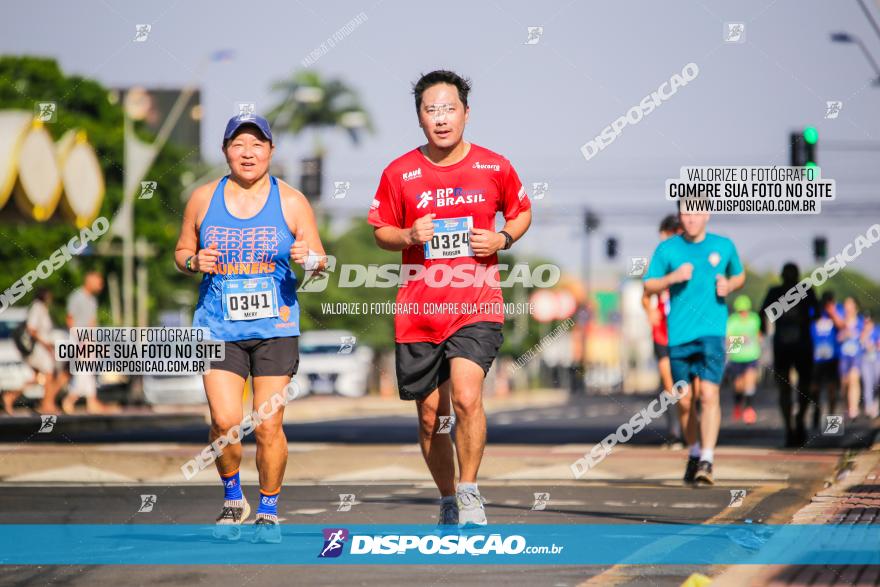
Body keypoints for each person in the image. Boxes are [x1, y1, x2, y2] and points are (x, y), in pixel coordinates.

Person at [368, 70, 532, 527]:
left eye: (449, 108)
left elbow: (521, 212)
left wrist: (501, 238)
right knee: (429, 419)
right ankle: (446, 498)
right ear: (419, 117)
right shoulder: (400, 172)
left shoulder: (493, 167)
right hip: (419, 312)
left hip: (476, 306)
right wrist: (406, 234)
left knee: (465, 397)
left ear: (466, 112)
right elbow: (381, 230)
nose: (441, 119)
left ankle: (471, 490)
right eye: (430, 110)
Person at [174, 113, 326, 543]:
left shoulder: (292, 201)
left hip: (275, 326)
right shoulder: (203, 199)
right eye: (239, 144)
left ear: (271, 152)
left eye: (257, 144)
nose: (248, 152)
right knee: (224, 421)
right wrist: (192, 262)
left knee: (267, 424)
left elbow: (320, 262)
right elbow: (182, 250)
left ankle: (270, 509)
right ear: (225, 152)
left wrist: (309, 261)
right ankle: (232, 497)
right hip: (217, 326)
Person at [644, 208, 745, 486]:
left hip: (712, 333)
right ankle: (694, 451)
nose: (690, 219)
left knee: (709, 395)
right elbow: (649, 285)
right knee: (684, 400)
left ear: (707, 214)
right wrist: (671, 278)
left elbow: (739, 275)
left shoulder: (723, 246)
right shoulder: (667, 249)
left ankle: (707, 460)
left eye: (696, 213)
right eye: (685, 214)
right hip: (678, 336)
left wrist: (730, 284)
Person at [760, 263, 819, 447]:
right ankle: (791, 427)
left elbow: (817, 312)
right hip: (786, 347)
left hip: (800, 346)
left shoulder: (805, 289)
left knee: (803, 387)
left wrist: (804, 320)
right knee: (787, 388)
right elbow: (763, 312)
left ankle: (798, 421)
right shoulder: (777, 291)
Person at [641, 214, 684, 445]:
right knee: (669, 383)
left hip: (687, 331)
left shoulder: (692, 259)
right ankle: (675, 432)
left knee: (690, 386)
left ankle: (691, 431)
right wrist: (650, 311)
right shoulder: (659, 263)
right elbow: (645, 295)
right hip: (662, 333)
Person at [62, 272, 111, 414]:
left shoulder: (92, 300)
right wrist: (80, 340)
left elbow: (92, 323)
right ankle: (70, 399)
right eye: (99, 282)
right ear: (89, 281)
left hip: (88, 339)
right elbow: (70, 319)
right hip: (78, 338)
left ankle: (91, 401)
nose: (101, 286)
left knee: (89, 371)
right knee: (83, 371)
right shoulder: (77, 297)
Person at [25, 288, 64, 414]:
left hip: (44, 348)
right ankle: (47, 405)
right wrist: (46, 344)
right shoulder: (37, 307)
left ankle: (10, 396)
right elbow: (32, 329)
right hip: (39, 349)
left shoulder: (42, 308)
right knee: (48, 375)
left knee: (40, 378)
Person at [726, 295, 762, 424]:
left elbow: (758, 335)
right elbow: (728, 340)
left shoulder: (754, 319)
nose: (744, 313)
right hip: (736, 357)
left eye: (745, 311)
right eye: (741, 311)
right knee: (738, 386)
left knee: (750, 382)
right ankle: (738, 404)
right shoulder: (732, 320)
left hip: (751, 356)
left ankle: (749, 409)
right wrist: (741, 339)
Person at [811, 291, 843, 429]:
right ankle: (816, 411)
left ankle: (832, 420)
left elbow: (843, 326)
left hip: (832, 358)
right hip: (816, 358)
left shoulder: (837, 311)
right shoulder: (814, 312)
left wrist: (833, 313)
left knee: (832, 390)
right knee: (815, 389)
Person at [838, 296, 864, 420]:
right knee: (845, 383)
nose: (847, 307)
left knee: (854, 379)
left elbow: (865, 338)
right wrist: (843, 335)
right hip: (843, 356)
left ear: (855, 307)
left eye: (850, 304)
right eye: (845, 305)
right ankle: (847, 406)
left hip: (856, 355)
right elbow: (835, 338)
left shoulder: (861, 322)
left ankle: (854, 409)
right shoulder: (840, 321)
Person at [859, 313, 879, 418]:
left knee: (876, 381)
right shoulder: (861, 332)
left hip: (877, 360)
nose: (867, 324)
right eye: (865, 322)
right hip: (865, 361)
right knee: (868, 383)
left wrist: (873, 345)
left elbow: (877, 346)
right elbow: (860, 345)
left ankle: (875, 404)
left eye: (869, 322)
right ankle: (869, 406)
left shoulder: (877, 331)